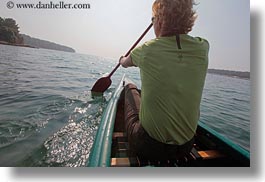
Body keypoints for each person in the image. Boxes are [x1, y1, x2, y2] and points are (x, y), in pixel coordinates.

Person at [119, 0, 209, 162]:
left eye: (153, 19)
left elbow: (125, 63)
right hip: (186, 146)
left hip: (149, 146)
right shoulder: (203, 47)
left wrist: (121, 59)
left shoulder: (146, 50)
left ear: (160, 20)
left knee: (130, 87)